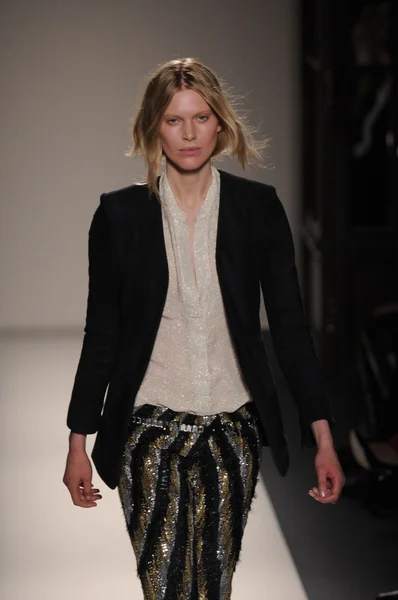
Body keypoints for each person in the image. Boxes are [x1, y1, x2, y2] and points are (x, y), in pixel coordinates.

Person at [63, 57, 345, 599]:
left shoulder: (257, 210)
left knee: (213, 587)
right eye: (173, 120)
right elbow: (102, 334)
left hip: (232, 433)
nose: (188, 133)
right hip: (147, 432)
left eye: (200, 117)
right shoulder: (119, 217)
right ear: (153, 127)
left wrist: (323, 438)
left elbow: (289, 330)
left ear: (220, 122)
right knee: (165, 587)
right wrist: (79, 440)